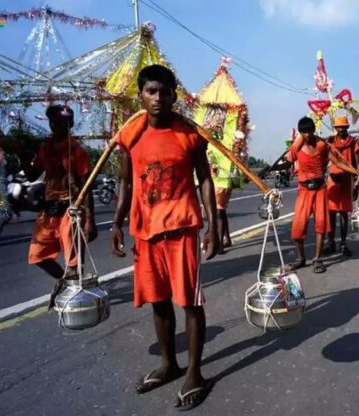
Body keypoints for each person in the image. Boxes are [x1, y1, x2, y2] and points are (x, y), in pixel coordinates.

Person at [109, 65, 219, 411]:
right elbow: (126, 183)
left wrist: (213, 226)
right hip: (146, 232)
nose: (158, 99)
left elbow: (205, 180)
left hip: (182, 231)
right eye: (151, 91)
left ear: (174, 95)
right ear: (141, 95)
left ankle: (195, 373)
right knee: (158, 302)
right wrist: (116, 222)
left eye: (165, 92)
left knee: (190, 302)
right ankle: (170, 364)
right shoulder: (131, 134)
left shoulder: (189, 134)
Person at [22, 104, 96, 310]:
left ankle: (74, 298)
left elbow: (86, 186)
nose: (56, 126)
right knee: (37, 256)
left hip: (70, 210)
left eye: (61, 122)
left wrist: (90, 220)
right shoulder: (45, 148)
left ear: (70, 124)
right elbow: (32, 175)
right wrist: (23, 154)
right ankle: (63, 279)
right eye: (53, 122)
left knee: (73, 263)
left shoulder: (77, 151)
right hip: (49, 210)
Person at [287, 116, 359, 273]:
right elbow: (290, 159)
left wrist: (357, 172)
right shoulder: (297, 146)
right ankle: (300, 258)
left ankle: (317, 258)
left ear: (313, 130)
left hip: (320, 189)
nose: (306, 135)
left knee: (321, 225)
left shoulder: (322, 145)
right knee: (298, 227)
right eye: (303, 132)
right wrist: (297, 140)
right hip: (304, 190)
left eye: (308, 131)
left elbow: (338, 162)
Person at [325, 115, 358, 256]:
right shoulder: (330, 141)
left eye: (343, 127)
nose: (341, 129)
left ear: (347, 127)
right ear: (335, 128)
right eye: (338, 127)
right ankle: (331, 242)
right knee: (331, 212)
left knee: (344, 213)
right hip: (333, 178)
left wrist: (357, 180)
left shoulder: (353, 142)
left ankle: (343, 243)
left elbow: (356, 163)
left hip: (347, 179)